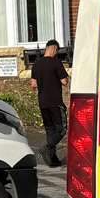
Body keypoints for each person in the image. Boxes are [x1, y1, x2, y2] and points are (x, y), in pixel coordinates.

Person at [30, 39, 69, 167]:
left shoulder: (36, 64)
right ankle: (47, 147)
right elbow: (64, 81)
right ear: (53, 49)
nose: (56, 53)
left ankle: (53, 160)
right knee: (62, 129)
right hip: (55, 102)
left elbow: (33, 85)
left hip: (42, 102)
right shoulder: (56, 63)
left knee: (50, 130)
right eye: (56, 50)